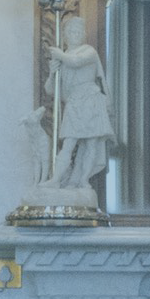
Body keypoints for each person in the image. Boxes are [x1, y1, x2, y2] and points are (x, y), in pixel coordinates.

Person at [46, 15, 113, 191]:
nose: (75, 34)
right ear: (66, 36)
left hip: (90, 100)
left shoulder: (88, 51)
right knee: (68, 142)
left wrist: (59, 55)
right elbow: (51, 90)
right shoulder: (64, 57)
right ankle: (56, 179)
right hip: (74, 103)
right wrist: (52, 73)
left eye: (78, 31)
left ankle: (83, 180)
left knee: (91, 143)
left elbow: (76, 62)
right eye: (71, 31)